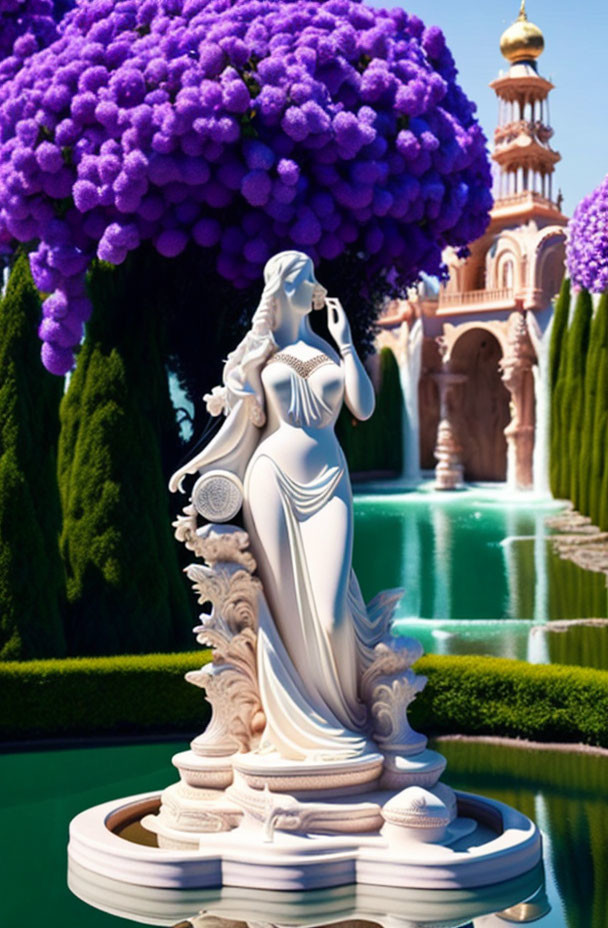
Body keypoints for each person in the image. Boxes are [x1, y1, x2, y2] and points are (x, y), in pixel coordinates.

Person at [170, 251, 393, 763]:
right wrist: (196, 465)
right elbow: (235, 426)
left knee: (333, 610)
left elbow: (363, 406)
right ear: (283, 287)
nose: (314, 284)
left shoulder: (331, 351)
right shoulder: (259, 351)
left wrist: (347, 343)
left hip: (329, 482)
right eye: (303, 278)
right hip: (271, 480)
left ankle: (340, 719)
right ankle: (289, 727)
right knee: (285, 608)